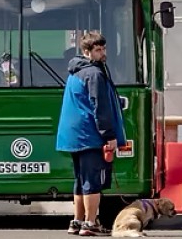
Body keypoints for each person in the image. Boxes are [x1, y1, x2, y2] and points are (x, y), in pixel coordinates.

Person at [56, 31, 126, 237]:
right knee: (92, 181)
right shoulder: (94, 74)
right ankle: (90, 222)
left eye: (104, 48)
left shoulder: (75, 71)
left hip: (74, 135)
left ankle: (77, 221)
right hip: (90, 135)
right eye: (98, 50)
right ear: (87, 52)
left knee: (79, 180)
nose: (103, 53)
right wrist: (109, 135)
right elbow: (100, 107)